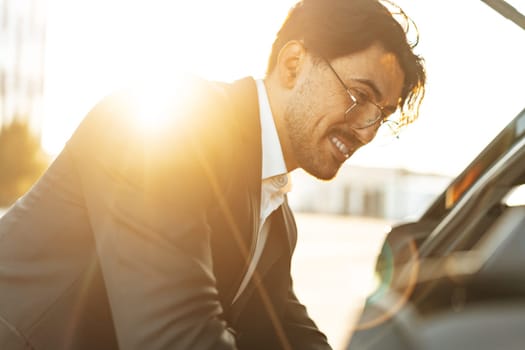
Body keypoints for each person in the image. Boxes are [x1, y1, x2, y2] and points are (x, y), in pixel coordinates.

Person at [0, 0, 425, 349]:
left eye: (381, 115)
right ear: (293, 64)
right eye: (359, 97)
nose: (366, 130)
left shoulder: (277, 220)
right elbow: (178, 340)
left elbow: (283, 334)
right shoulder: (171, 126)